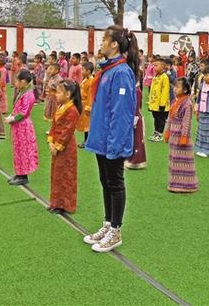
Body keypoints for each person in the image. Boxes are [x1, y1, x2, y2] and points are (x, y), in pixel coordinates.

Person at [83, 26, 138, 253]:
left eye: (105, 39)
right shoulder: (107, 69)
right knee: (105, 180)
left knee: (115, 182)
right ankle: (108, 223)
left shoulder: (121, 72)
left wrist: (116, 144)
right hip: (102, 136)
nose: (101, 43)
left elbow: (121, 112)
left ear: (114, 44)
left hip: (112, 139)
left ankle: (116, 230)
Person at [47, 80, 82, 214]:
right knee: (56, 174)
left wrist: (57, 146)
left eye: (59, 92)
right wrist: (51, 141)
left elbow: (68, 131)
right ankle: (55, 202)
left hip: (66, 148)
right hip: (56, 145)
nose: (56, 94)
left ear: (67, 94)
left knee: (66, 175)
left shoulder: (73, 111)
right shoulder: (60, 106)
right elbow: (53, 125)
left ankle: (66, 205)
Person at [4, 69, 39, 185]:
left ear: (23, 82)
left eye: (16, 80)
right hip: (18, 126)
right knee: (17, 149)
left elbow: (24, 113)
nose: (15, 83)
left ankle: (23, 176)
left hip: (23, 126)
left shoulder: (28, 94)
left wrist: (12, 118)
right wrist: (11, 115)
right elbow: (17, 109)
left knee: (23, 150)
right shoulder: (22, 92)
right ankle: (19, 173)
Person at [164, 77, 198, 193]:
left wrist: (184, 137)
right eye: (175, 86)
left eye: (178, 87)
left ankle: (186, 185)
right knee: (175, 159)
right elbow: (169, 118)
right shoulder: (175, 102)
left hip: (181, 137)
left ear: (185, 90)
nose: (175, 89)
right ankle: (174, 183)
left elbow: (186, 122)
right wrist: (167, 132)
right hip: (174, 136)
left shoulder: (187, 104)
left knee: (184, 160)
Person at [125, 84, 147, 170]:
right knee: (132, 140)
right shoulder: (132, 89)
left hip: (135, 118)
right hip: (131, 117)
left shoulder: (137, 91)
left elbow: (136, 106)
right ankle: (131, 159)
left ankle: (136, 161)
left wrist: (134, 118)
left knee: (136, 140)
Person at [148, 58, 170, 142]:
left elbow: (165, 92)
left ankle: (160, 134)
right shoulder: (155, 77)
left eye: (156, 66)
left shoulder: (164, 77)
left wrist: (162, 104)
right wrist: (151, 102)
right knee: (156, 119)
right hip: (154, 104)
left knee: (161, 119)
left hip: (161, 105)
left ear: (163, 67)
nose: (154, 67)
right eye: (154, 66)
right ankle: (156, 132)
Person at [77, 62, 95, 148]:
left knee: (88, 124)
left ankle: (87, 141)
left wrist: (88, 107)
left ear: (88, 71)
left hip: (87, 105)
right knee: (85, 124)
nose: (82, 71)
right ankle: (86, 141)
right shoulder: (85, 80)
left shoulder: (91, 81)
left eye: (83, 70)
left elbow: (90, 95)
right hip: (83, 103)